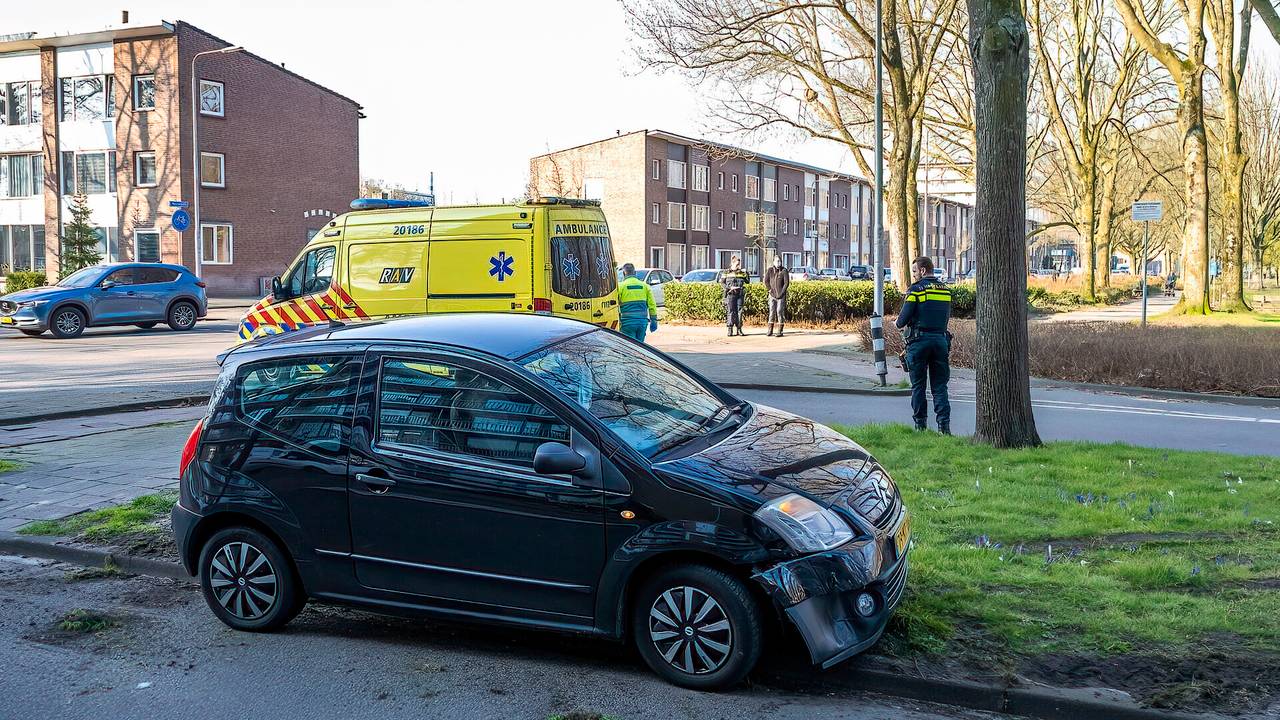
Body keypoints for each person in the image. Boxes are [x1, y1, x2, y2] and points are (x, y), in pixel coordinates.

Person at [895, 256, 952, 434]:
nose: (913, 275)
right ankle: (944, 427)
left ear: (922, 270)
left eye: (914, 271)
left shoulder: (916, 290)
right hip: (940, 341)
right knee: (940, 386)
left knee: (918, 386)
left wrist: (896, 323)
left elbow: (902, 320)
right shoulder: (945, 290)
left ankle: (921, 426)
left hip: (919, 342)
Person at [616, 263, 659, 342]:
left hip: (627, 323)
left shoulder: (621, 286)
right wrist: (654, 320)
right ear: (635, 273)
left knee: (630, 347)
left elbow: (615, 305)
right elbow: (652, 305)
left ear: (623, 273)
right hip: (642, 323)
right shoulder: (645, 286)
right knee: (640, 346)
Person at [720, 256, 750, 336]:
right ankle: (730, 329)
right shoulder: (726, 272)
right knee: (731, 311)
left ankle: (739, 328)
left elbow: (747, 282)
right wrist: (730, 287)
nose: (738, 266)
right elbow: (722, 283)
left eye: (739, 265)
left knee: (739, 311)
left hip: (740, 294)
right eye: (737, 264)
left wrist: (747, 273)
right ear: (732, 264)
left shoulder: (741, 272)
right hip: (730, 294)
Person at [763, 255, 790, 337]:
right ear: (774, 262)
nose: (778, 263)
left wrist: (782, 293)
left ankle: (780, 330)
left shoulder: (784, 271)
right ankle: (770, 330)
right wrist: (770, 290)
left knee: (779, 311)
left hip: (781, 295)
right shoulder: (770, 270)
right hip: (772, 295)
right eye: (777, 261)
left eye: (779, 261)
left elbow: (786, 283)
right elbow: (766, 281)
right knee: (771, 311)